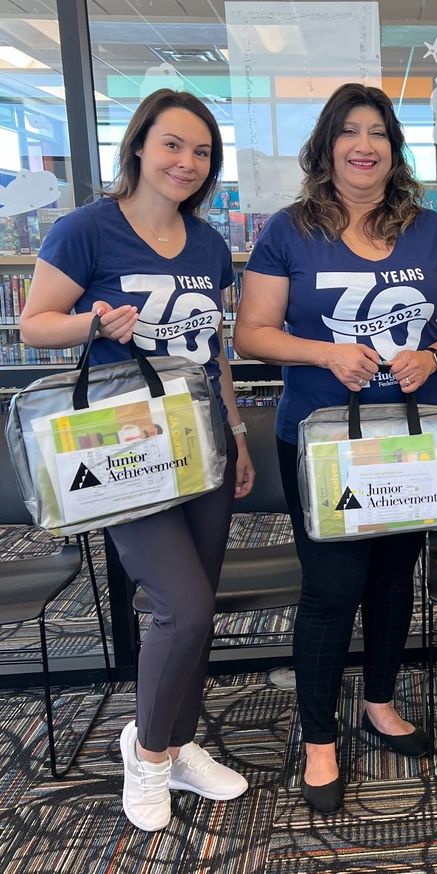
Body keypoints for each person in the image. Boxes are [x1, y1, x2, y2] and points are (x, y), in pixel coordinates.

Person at [233, 83, 437, 816]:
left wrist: (433, 356)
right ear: (327, 146)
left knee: (393, 579)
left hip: (408, 439)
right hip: (322, 444)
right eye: (350, 131)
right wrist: (325, 353)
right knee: (332, 589)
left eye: (378, 132)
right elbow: (251, 334)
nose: (364, 145)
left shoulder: (429, 231)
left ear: (394, 149)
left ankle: (377, 701)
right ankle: (317, 737)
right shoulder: (289, 230)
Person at [19, 89, 256, 830]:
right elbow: (33, 325)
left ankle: (177, 746)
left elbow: (213, 350)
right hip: (123, 450)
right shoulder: (86, 230)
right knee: (179, 608)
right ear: (139, 147)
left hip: (202, 445)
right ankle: (147, 752)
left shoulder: (209, 244)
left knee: (202, 610)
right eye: (173, 145)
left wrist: (238, 435)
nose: (187, 162)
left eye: (202, 152)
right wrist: (92, 320)